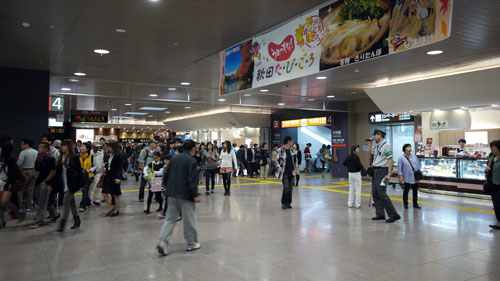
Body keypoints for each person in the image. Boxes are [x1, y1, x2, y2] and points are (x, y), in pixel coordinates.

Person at [157, 140, 201, 256]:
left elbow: (166, 173)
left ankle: (162, 242)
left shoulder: (175, 158)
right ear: (192, 149)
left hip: (171, 194)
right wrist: (195, 195)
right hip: (185, 195)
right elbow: (192, 181)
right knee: (189, 220)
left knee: (170, 220)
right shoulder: (192, 161)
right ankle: (191, 244)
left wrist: (165, 184)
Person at [367, 129, 401, 223]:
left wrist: (389, 174)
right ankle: (380, 214)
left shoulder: (387, 146)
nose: (374, 137)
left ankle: (394, 215)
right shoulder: (377, 145)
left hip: (382, 171)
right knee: (375, 193)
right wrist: (370, 144)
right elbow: (369, 154)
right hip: (375, 170)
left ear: (380, 135)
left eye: (375, 135)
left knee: (382, 193)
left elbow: (390, 160)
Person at [56, 140, 84, 232]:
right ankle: (77, 220)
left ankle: (63, 222)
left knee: (65, 201)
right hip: (64, 184)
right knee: (71, 203)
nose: (62, 147)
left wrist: (81, 184)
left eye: (64, 145)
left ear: (69, 146)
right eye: (62, 145)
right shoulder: (61, 157)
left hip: (72, 184)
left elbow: (79, 172)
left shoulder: (74, 158)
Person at [30, 142, 57, 229]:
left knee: (41, 202)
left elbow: (53, 172)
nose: (39, 148)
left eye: (41, 147)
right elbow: (36, 170)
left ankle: (39, 220)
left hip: (45, 183)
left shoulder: (50, 159)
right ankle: (55, 214)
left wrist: (45, 181)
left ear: (46, 149)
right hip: (38, 182)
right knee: (44, 201)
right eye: (38, 147)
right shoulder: (38, 159)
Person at [0, 140, 25, 229]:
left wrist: (7, 184)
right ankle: (1, 222)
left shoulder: (11, 160)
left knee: (4, 202)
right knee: (1, 203)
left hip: (10, 183)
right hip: (1, 182)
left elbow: (11, 174)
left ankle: (19, 213)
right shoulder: (2, 158)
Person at [275, 136, 299, 209]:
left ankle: (288, 203)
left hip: (292, 172)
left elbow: (296, 160)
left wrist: (296, 168)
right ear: (288, 141)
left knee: (290, 188)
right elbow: (276, 160)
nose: (292, 142)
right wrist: (279, 167)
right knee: (286, 187)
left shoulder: (293, 150)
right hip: (284, 172)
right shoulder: (280, 150)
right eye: (291, 141)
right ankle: (284, 203)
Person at [102, 141, 123, 217]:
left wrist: (118, 178)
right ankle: (111, 207)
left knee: (115, 195)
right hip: (108, 176)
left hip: (115, 177)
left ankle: (116, 210)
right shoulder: (110, 155)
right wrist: (105, 166)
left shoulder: (119, 155)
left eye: (109, 147)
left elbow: (119, 167)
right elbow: (109, 164)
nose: (108, 148)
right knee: (104, 192)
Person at [398, 144, 422, 209]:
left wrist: (419, 171)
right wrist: (400, 176)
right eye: (408, 147)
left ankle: (415, 203)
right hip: (407, 176)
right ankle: (405, 203)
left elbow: (417, 164)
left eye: (410, 147)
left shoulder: (414, 156)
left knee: (415, 190)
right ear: (405, 149)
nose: (410, 148)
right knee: (406, 190)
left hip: (415, 176)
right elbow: (399, 168)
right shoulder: (401, 158)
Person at [17, 138, 38, 211]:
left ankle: (19, 207)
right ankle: (28, 206)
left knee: (20, 189)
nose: (21, 145)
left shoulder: (23, 152)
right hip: (33, 170)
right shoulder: (36, 152)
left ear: (27, 144)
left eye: (22, 144)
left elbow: (19, 163)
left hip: (24, 171)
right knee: (30, 189)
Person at [486, 140, 500, 229]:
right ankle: (498, 222)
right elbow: (488, 165)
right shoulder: (492, 156)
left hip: (499, 183)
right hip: (492, 183)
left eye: (493, 147)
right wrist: (486, 168)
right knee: (496, 204)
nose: (492, 149)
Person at [78, 142, 94, 212]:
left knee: (85, 190)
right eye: (81, 146)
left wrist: (89, 170)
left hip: (89, 176)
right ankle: (87, 202)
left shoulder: (91, 157)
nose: (81, 148)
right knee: (84, 191)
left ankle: (82, 205)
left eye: (83, 146)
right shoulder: (78, 156)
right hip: (81, 176)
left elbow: (95, 166)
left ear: (87, 149)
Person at [158, 154, 173, 219]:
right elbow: (163, 176)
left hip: (172, 185)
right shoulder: (164, 167)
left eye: (167, 160)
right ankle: (164, 212)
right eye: (165, 160)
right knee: (167, 199)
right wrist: (163, 184)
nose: (166, 161)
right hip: (167, 186)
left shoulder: (173, 167)